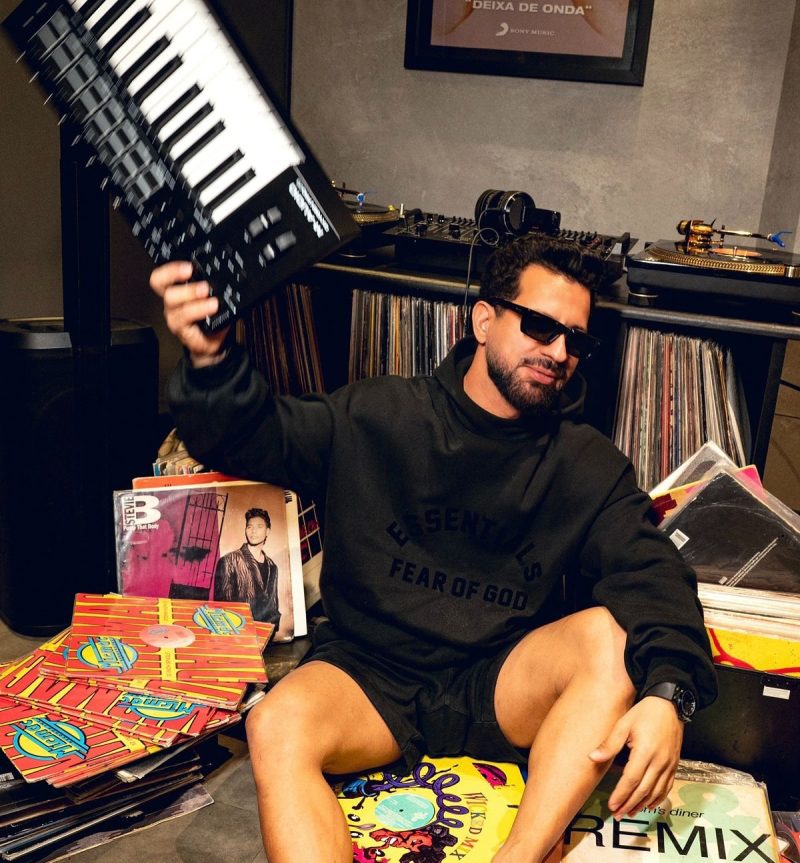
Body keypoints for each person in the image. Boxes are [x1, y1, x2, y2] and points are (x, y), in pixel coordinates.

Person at [150, 235, 716, 863]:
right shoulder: (378, 414)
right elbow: (252, 436)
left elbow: (653, 572)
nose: (559, 352)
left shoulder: (587, 463)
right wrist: (210, 359)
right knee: (274, 722)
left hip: (499, 684)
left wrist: (670, 693)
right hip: (369, 676)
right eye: (540, 326)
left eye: (575, 341)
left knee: (607, 639)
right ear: (484, 320)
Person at [213, 506, 281, 630]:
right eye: (249, 527)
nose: (253, 531)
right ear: (245, 530)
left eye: (259, 527)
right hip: (240, 633)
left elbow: (274, 604)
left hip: (267, 634)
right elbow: (223, 607)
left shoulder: (272, 566)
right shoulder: (229, 561)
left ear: (267, 531)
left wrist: (273, 628)